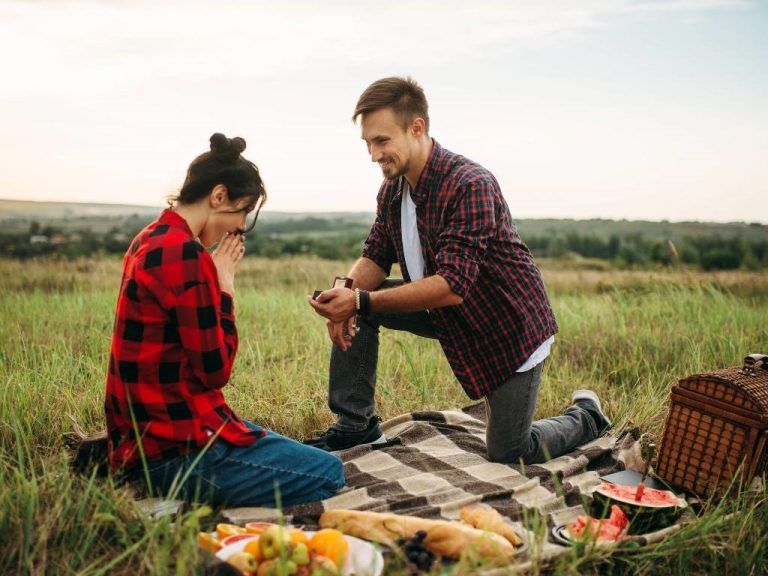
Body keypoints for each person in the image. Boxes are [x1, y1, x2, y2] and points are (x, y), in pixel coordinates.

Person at [307, 77, 611, 464]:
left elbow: (453, 285)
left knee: (510, 452)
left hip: (505, 327)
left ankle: (586, 415)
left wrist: (360, 301)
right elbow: (374, 257)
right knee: (360, 303)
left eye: (381, 141)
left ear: (416, 128)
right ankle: (355, 426)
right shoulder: (392, 190)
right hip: (446, 313)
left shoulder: (470, 184)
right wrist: (344, 295)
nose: (372, 154)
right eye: (367, 143)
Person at [105, 133, 344, 507]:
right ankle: (170, 498)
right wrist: (225, 284)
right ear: (218, 197)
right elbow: (216, 370)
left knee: (274, 443)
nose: (236, 229)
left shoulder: (148, 238)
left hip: (144, 439)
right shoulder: (187, 255)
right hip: (176, 451)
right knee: (329, 473)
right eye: (241, 214)